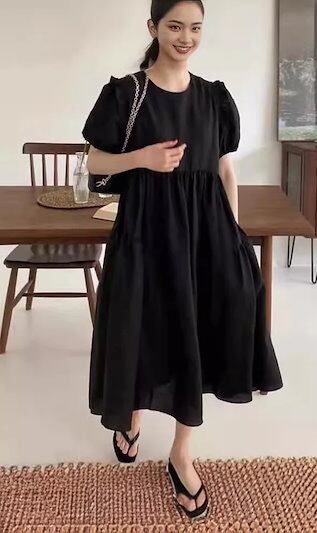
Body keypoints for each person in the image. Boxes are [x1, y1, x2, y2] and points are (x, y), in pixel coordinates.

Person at [82, 0, 283, 522]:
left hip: (207, 235)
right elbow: (94, 162)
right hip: (145, 234)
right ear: (153, 28)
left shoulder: (215, 98)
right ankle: (131, 415)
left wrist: (235, 234)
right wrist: (142, 159)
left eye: (195, 27)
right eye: (174, 26)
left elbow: (225, 171)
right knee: (144, 327)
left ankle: (181, 452)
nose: (185, 37)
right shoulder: (127, 93)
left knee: (200, 330)